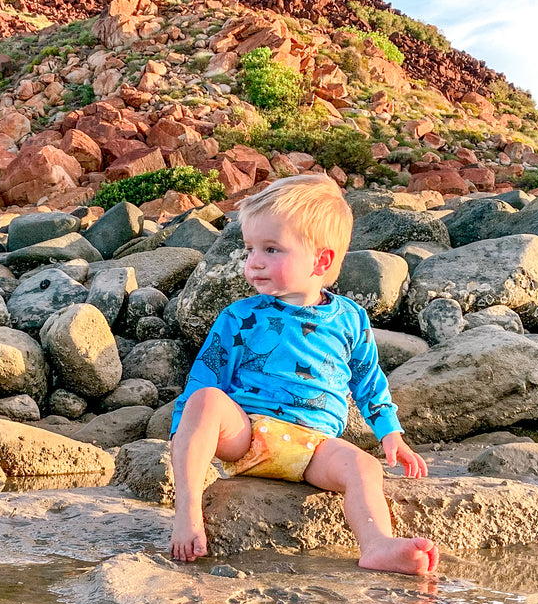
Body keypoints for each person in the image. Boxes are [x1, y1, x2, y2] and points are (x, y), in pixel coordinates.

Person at [168, 174, 439, 576]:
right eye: (250, 249)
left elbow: (368, 379)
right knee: (205, 400)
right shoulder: (240, 317)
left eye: (271, 249)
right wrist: (183, 433)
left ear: (321, 261)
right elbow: (203, 379)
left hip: (312, 448)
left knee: (362, 468)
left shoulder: (349, 318)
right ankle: (187, 513)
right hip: (246, 434)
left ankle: (377, 543)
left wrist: (390, 434)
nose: (254, 261)